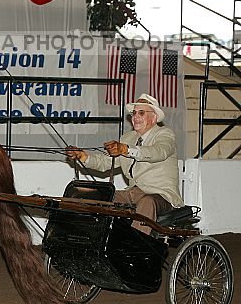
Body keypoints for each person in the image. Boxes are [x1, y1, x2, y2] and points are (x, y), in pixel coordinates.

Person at [65, 94, 183, 234]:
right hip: (133, 193)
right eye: (134, 113)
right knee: (101, 197)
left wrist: (126, 149)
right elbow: (105, 162)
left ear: (154, 117)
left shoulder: (165, 134)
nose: (135, 117)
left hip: (161, 195)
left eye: (141, 113)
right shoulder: (127, 138)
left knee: (147, 201)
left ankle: (135, 243)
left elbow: (158, 152)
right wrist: (82, 156)